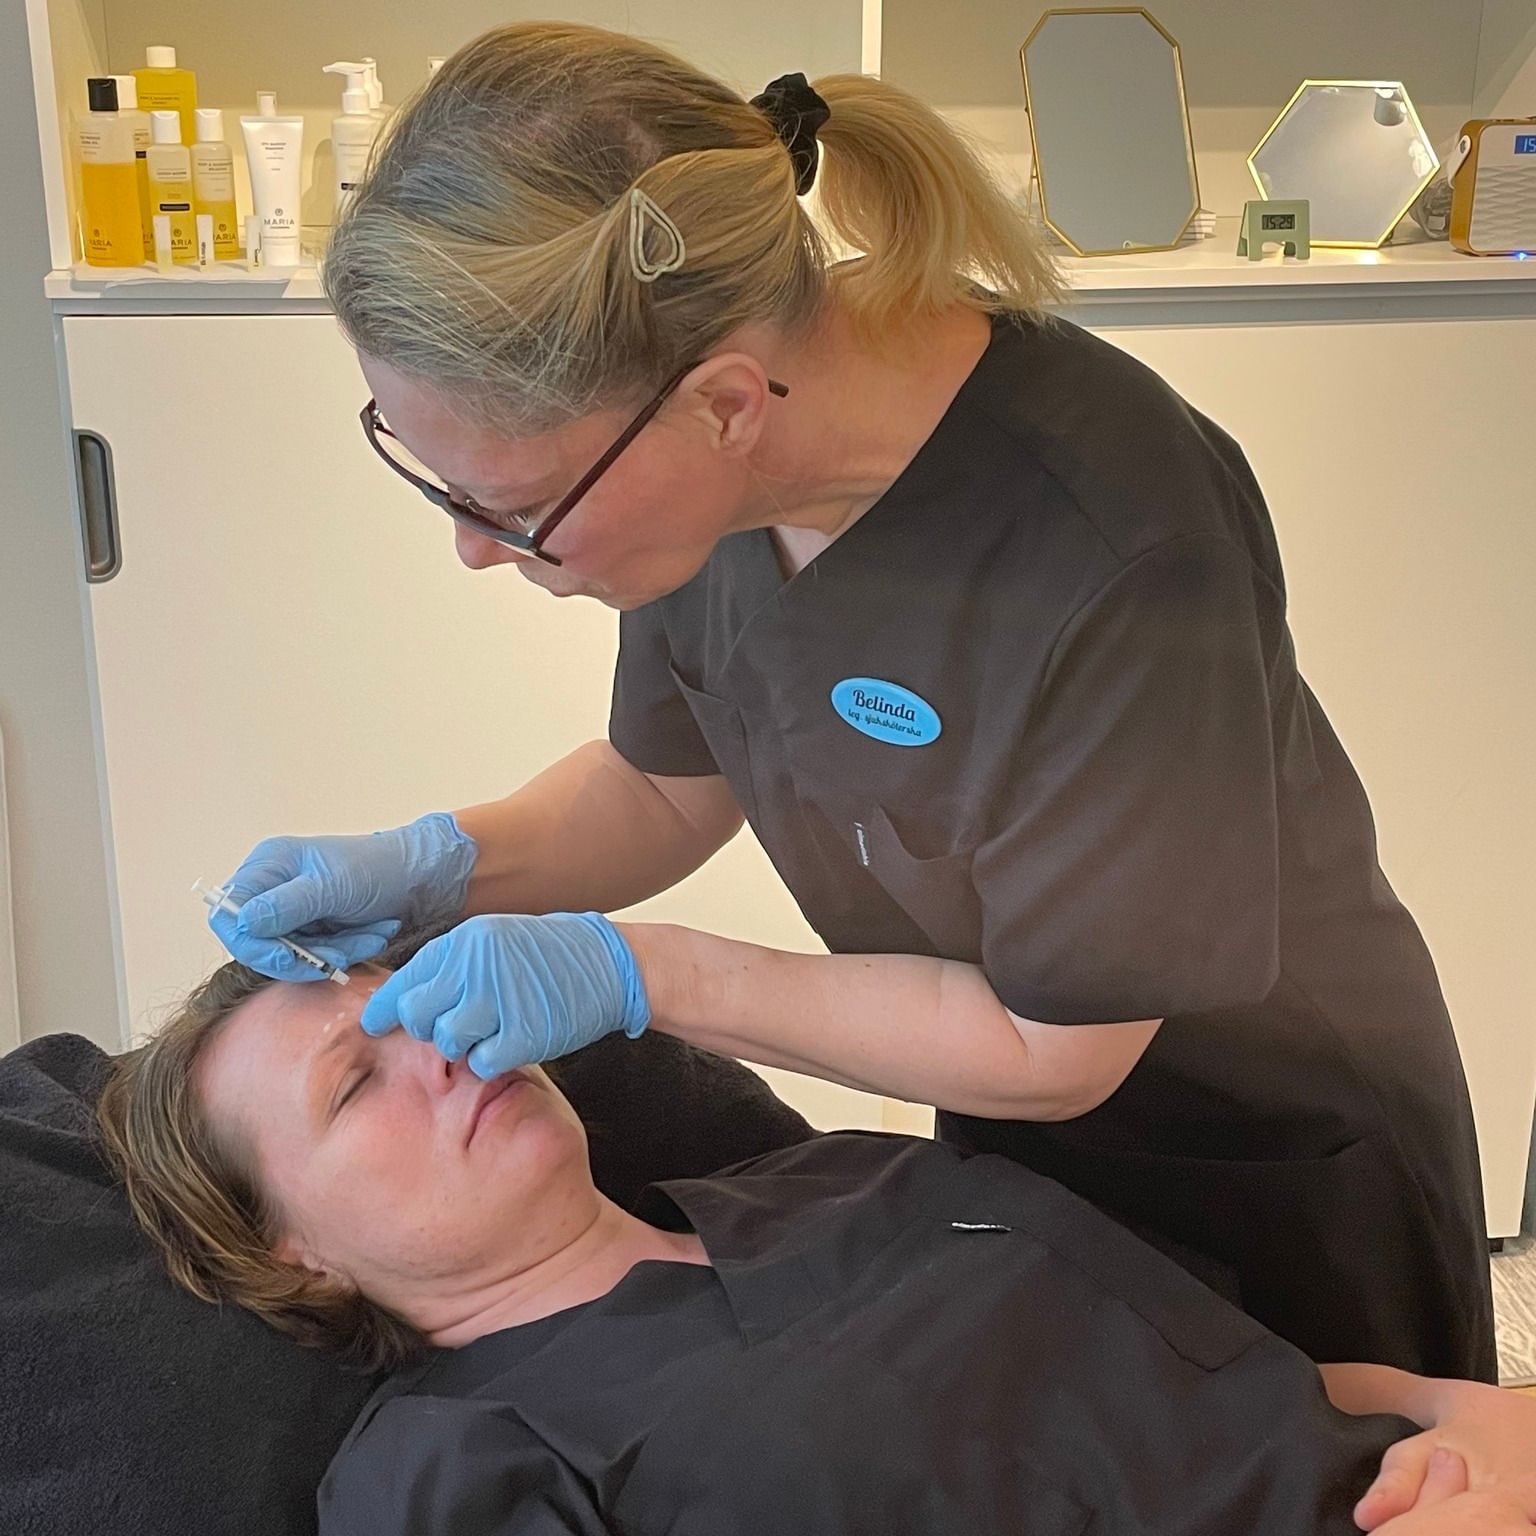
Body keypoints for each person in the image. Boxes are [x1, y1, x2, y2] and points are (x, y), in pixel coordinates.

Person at [212, 21, 1494, 1380]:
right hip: (1016, 1151)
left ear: (723, 407)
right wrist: (439, 866)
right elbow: (662, 787)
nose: (478, 551)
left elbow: (1058, 1048)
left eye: (512, 507)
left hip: (1269, 1168)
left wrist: (648, 972)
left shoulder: (1114, 547)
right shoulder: (709, 472)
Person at [97, 945, 1536, 1536]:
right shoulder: (452, 1464)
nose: (444, 1050)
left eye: (423, 1005)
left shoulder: (838, 1176)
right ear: (286, 1252)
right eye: (357, 1084)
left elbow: (1209, 1370)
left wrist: (1467, 1421)